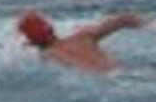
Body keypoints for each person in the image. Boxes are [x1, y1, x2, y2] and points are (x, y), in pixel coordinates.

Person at [17, 10, 148, 74]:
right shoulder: (82, 36)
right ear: (51, 28)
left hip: (114, 81)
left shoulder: (50, 54)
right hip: (129, 70)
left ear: (30, 41)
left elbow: (81, 68)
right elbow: (124, 19)